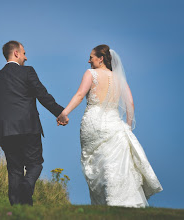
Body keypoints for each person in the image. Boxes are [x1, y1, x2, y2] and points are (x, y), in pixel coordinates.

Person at [57, 44, 163, 207]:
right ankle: (124, 201)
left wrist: (65, 113)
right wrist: (127, 127)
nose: (89, 61)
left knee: (97, 164)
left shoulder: (90, 74)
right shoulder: (119, 78)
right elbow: (131, 104)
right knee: (116, 163)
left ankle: (105, 203)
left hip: (93, 123)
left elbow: (79, 95)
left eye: (91, 57)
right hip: (114, 124)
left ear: (100, 59)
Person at [0, 41, 68, 206]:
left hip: (6, 132)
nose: (26, 57)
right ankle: (27, 184)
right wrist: (60, 113)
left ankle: (19, 208)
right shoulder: (28, 72)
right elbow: (43, 95)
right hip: (29, 128)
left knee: (14, 170)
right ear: (16, 53)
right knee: (35, 164)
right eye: (24, 53)